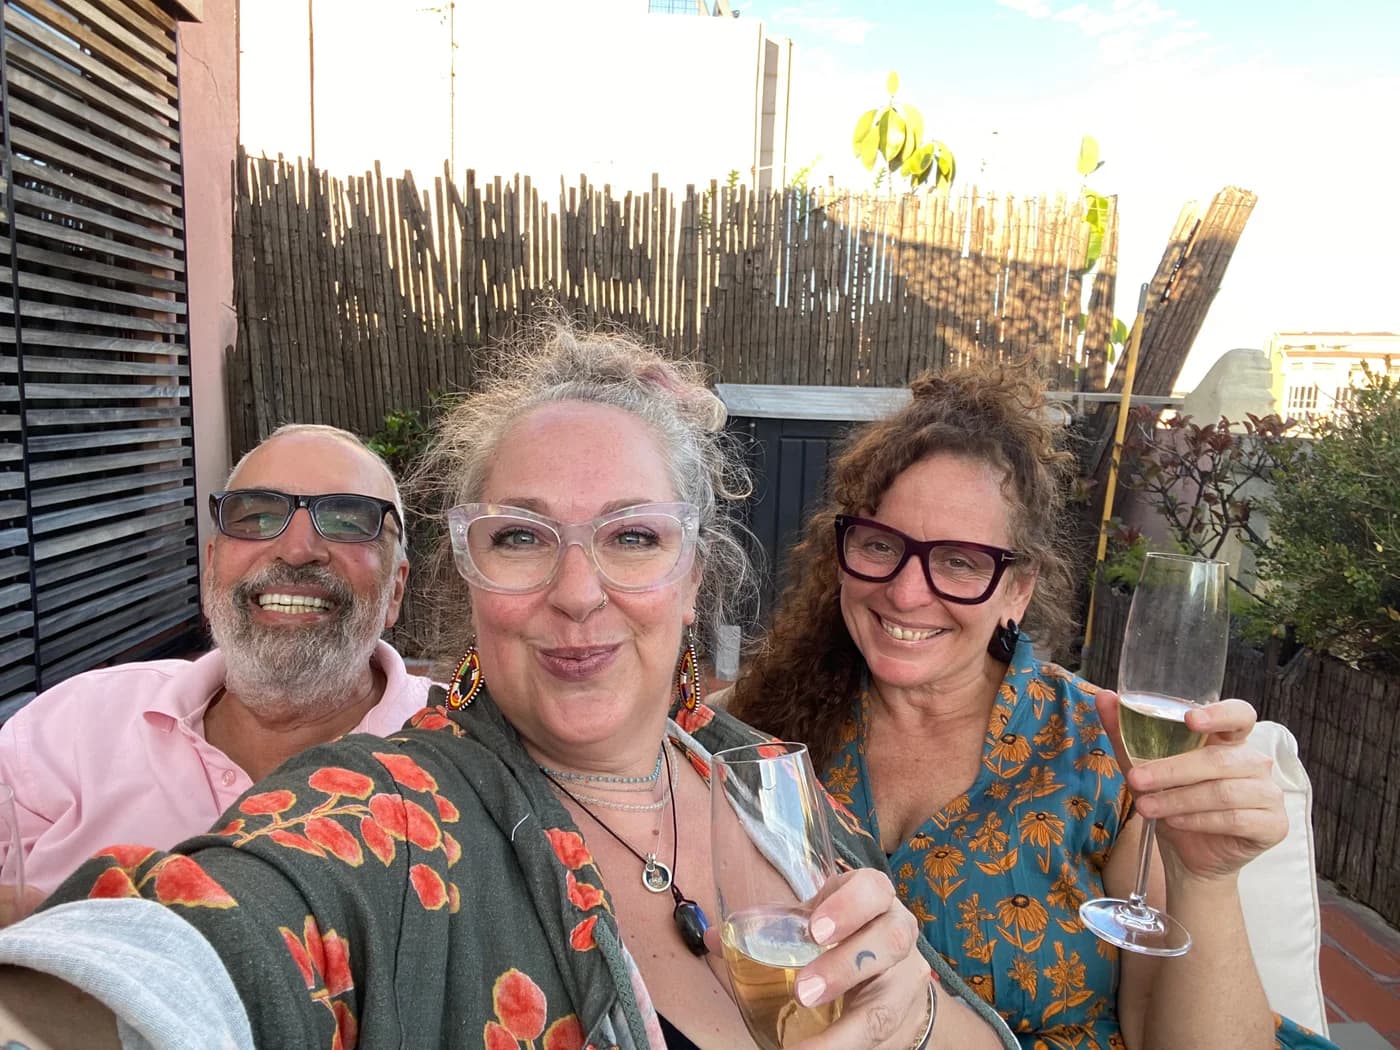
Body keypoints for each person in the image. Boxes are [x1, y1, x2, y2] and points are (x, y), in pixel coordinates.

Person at [0, 325, 1018, 1050]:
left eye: (632, 536)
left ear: (693, 575)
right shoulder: (393, 816)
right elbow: (201, 946)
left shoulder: (762, 777)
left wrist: (918, 1011)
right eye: (521, 538)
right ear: (466, 575)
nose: (577, 593)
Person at [730, 364, 1336, 1050]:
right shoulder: (766, 723)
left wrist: (1206, 879)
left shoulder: (1102, 752)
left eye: (960, 561)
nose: (905, 592)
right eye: (880, 545)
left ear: (1017, 590)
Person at [0, 424, 433, 907]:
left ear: (395, 590)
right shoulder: (63, 731)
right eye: (257, 517)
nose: (297, 550)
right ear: (211, 570)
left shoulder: (462, 752)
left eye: (348, 522)